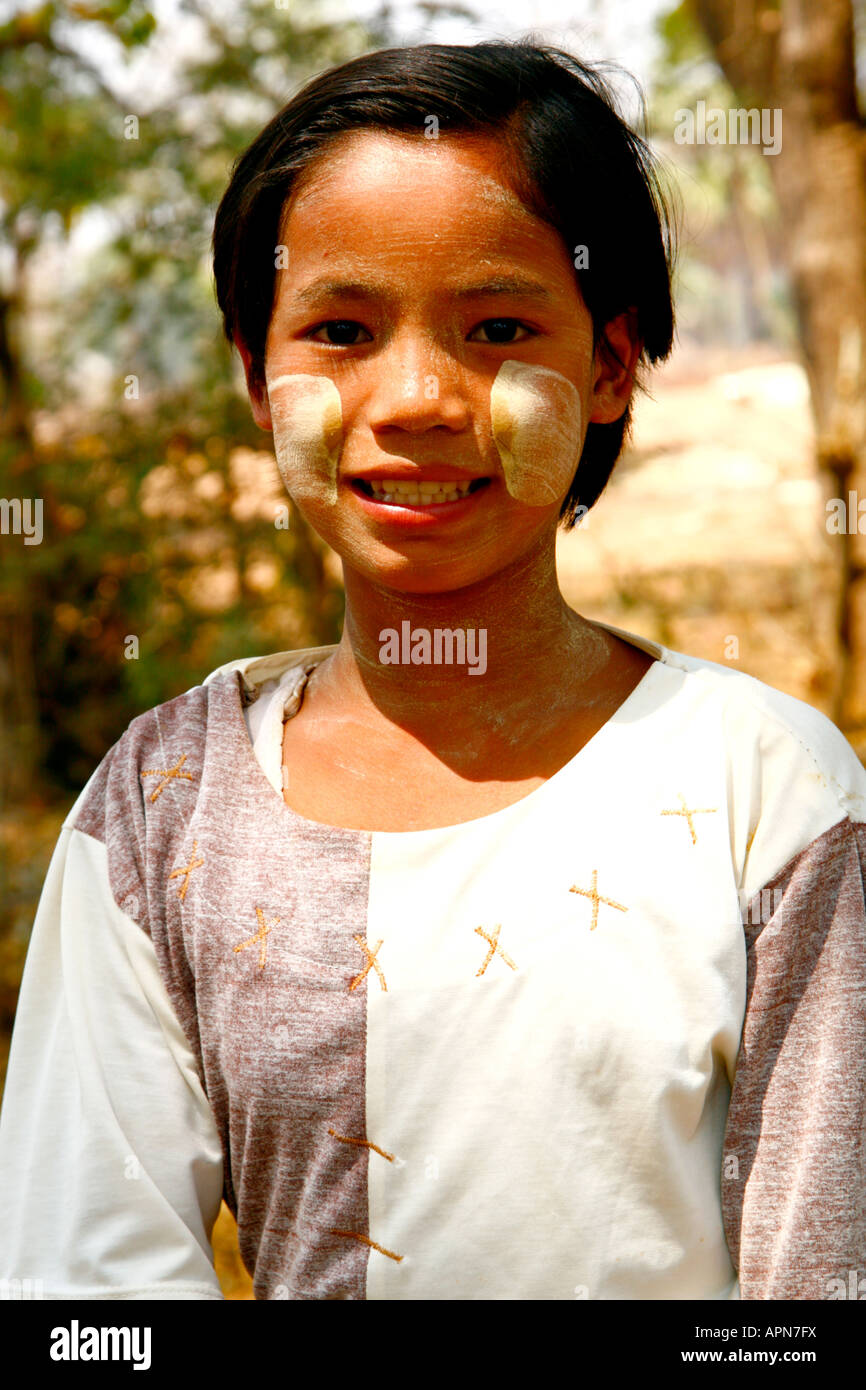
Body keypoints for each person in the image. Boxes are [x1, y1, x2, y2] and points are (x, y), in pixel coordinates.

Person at [1, 38, 864, 1302]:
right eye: (340, 329)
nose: (412, 399)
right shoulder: (164, 810)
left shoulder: (767, 795)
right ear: (256, 371)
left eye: (497, 326)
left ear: (609, 364)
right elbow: (86, 1302)